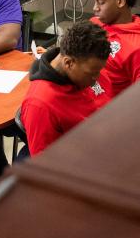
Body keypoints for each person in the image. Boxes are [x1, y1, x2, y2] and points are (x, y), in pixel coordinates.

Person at [19, 21, 111, 156]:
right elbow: (46, 168)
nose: (97, 78)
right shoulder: (40, 105)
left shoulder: (86, 68)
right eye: (92, 73)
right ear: (68, 63)